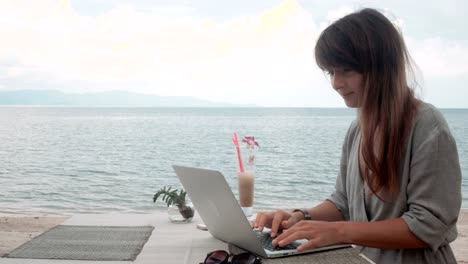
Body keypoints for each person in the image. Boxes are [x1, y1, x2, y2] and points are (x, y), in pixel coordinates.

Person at [253, 8, 462, 264]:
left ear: (382, 67)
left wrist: (338, 232)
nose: (336, 83)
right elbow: (344, 202)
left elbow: (429, 224)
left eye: (346, 71)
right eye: (331, 72)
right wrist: (300, 217)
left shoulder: (427, 125)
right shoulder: (358, 128)